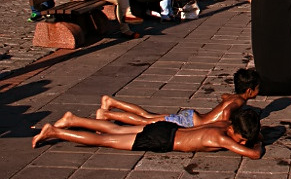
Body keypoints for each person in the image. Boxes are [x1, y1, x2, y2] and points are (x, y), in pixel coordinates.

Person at [32, 108, 263, 159]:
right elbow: (253, 154)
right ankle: (56, 132)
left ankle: (73, 120)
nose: (241, 142)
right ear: (232, 130)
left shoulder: (224, 125)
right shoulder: (221, 137)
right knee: (107, 140)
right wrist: (258, 143)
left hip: (170, 129)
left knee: (115, 129)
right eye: (241, 138)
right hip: (163, 138)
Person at [97, 69, 259, 127]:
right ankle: (107, 113)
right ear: (250, 90)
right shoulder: (239, 101)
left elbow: (224, 97)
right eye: (258, 88)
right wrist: (225, 126)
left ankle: (112, 102)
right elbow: (226, 113)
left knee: (148, 116)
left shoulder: (233, 97)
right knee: (146, 121)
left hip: (192, 117)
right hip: (192, 123)